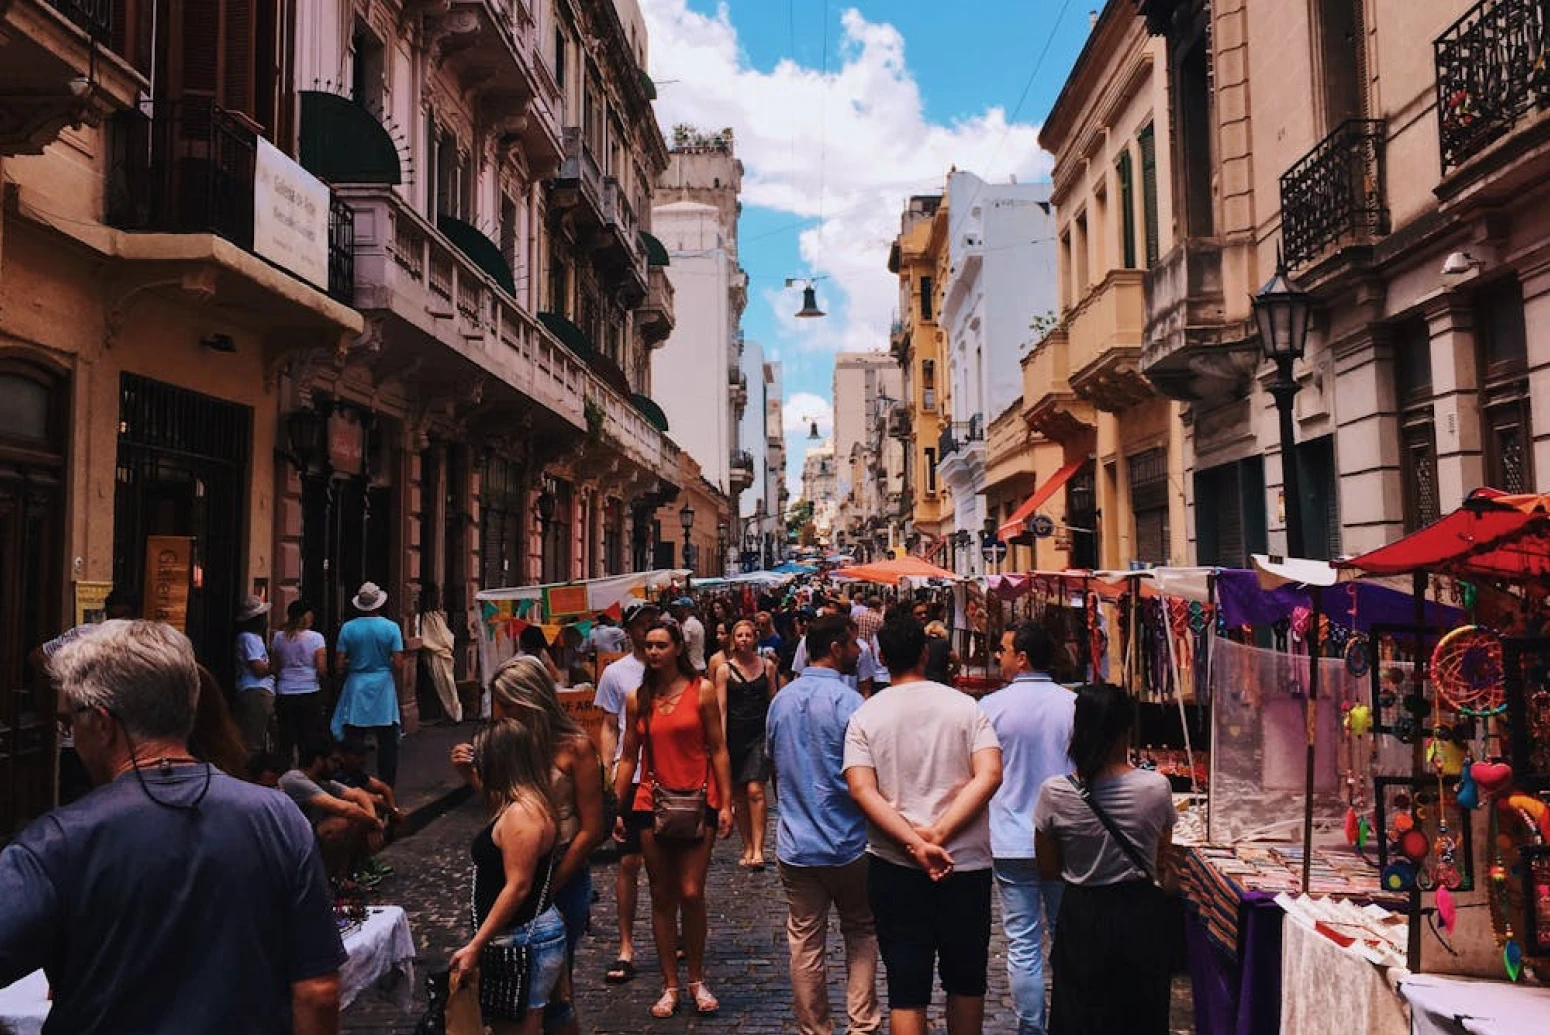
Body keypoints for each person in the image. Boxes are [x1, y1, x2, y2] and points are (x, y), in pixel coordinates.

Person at [0, 620, 346, 1032]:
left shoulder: (55, 843)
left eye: (70, 719)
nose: (70, 731)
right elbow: (317, 992)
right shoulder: (278, 816)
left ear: (102, 723)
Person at [844, 617, 1003, 1035]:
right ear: (925, 654)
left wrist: (916, 843)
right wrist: (940, 834)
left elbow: (863, 791)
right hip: (963, 863)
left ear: (880, 657)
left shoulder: (866, 715)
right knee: (966, 981)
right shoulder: (966, 708)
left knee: (906, 989)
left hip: (896, 865)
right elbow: (989, 775)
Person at [455, 655, 606, 1035]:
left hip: (562, 875)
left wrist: (549, 884)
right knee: (514, 997)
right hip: (516, 877)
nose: (498, 712)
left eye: (505, 704)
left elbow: (592, 828)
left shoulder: (575, 747)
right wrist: (472, 776)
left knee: (555, 994)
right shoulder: (510, 746)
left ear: (529, 701)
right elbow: (505, 812)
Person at [1035, 684, 1176, 1035]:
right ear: (1125, 730)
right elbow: (1161, 856)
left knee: (1080, 1014)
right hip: (1140, 913)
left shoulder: (1055, 792)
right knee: (1139, 1014)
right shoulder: (1156, 788)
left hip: (1083, 913)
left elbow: (1048, 868)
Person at [613, 618, 735, 1018]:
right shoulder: (637, 698)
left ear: (678, 649)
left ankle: (697, 979)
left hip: (698, 801)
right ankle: (670, 985)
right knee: (661, 894)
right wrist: (617, 806)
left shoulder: (700, 692)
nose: (653, 652)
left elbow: (718, 748)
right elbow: (629, 754)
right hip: (651, 801)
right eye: (648, 645)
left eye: (661, 645)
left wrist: (726, 803)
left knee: (691, 892)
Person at [766, 615, 881, 1035]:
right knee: (861, 931)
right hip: (849, 840)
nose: (858, 652)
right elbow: (868, 776)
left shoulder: (780, 701)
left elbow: (774, 769)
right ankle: (863, 1024)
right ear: (835, 647)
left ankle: (815, 1029)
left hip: (797, 842)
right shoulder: (851, 704)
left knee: (805, 941)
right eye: (853, 645)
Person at [980, 622, 1077, 1035]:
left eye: (1002, 649)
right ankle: (1068, 1021)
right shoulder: (1074, 705)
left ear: (1022, 657)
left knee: (1022, 944)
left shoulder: (990, 708)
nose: (997, 657)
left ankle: (1031, 1029)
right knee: (1065, 938)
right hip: (1064, 838)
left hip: (1011, 839)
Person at [450, 719, 569, 1035]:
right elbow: (497, 807)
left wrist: (476, 945)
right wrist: (468, 776)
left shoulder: (523, 814)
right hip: (521, 934)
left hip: (522, 936)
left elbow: (518, 886)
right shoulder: (525, 802)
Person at [593, 599, 659, 984]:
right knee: (629, 863)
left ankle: (674, 934)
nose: (647, 630)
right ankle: (626, 945)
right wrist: (608, 766)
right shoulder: (617, 673)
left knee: (666, 865)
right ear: (630, 630)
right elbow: (607, 724)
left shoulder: (672, 671)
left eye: (653, 623)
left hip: (668, 777)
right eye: (641, 624)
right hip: (630, 775)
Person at [267, 739, 386, 883]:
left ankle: (342, 878)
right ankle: (325, 882)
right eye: (334, 761)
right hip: (292, 842)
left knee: (359, 818)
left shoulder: (322, 781)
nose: (338, 766)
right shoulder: (296, 780)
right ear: (318, 760)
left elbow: (359, 794)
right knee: (340, 824)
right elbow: (345, 808)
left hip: (309, 836)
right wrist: (374, 823)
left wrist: (372, 820)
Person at [714, 619, 777, 869]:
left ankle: (759, 848)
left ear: (755, 638)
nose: (743, 639)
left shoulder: (768, 667)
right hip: (735, 736)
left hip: (760, 734)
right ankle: (748, 845)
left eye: (748, 635)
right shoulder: (724, 670)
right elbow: (721, 708)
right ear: (733, 640)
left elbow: (773, 702)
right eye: (739, 635)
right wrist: (720, 741)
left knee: (755, 790)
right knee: (739, 795)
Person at [332, 581, 407, 787]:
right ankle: (387, 784)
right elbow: (399, 663)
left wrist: (352, 664)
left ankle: (353, 782)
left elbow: (339, 664)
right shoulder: (392, 628)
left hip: (357, 684)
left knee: (355, 737)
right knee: (387, 742)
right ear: (379, 603)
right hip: (383, 686)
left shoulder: (348, 628)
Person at [271, 600, 327, 767]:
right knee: (307, 738)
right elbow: (321, 668)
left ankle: (284, 773)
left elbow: (275, 666)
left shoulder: (278, 637)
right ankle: (305, 773)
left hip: (285, 691)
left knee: (286, 739)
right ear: (306, 616)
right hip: (309, 691)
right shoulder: (316, 638)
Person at [233, 594, 276, 753]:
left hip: (261, 690)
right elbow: (258, 669)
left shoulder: (255, 638)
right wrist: (276, 665)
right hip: (255, 690)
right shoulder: (248, 638)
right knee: (254, 738)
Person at [672, 597, 708, 675]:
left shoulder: (687, 625)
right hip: (701, 664)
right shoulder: (697, 622)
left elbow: (686, 646)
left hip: (692, 666)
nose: (676, 611)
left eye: (679, 608)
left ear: (685, 609)